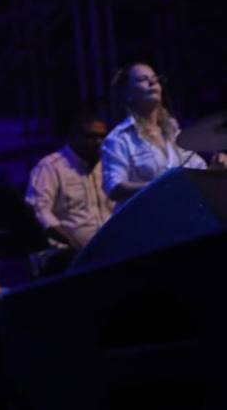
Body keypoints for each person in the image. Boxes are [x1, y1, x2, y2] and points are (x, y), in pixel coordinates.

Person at [102, 62, 206, 204]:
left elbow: (197, 167)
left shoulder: (173, 130)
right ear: (128, 94)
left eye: (155, 78)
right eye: (142, 80)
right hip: (144, 219)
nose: (152, 82)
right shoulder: (119, 138)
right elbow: (114, 187)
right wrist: (157, 187)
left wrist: (216, 166)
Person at [25, 114, 114, 273]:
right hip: (67, 255)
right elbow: (39, 210)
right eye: (91, 136)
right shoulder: (51, 166)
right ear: (74, 137)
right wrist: (72, 242)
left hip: (109, 250)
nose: (99, 142)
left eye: (102, 136)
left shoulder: (108, 165)